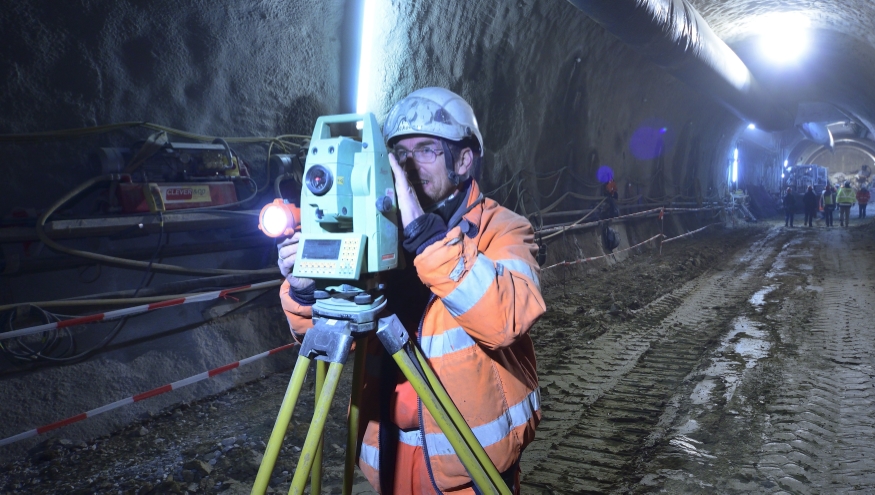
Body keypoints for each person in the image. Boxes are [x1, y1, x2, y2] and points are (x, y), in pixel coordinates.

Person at [277, 87, 545, 494]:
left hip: (472, 469)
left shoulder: (502, 230)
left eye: (425, 150)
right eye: (399, 152)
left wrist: (424, 235)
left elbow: (505, 320)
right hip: (390, 461)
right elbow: (327, 339)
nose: (408, 165)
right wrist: (305, 290)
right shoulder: (377, 234)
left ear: (464, 159)